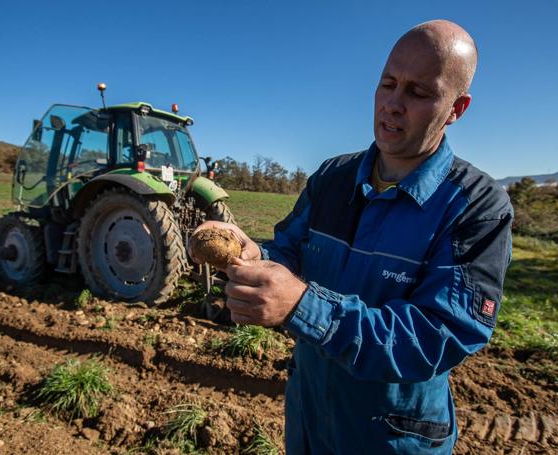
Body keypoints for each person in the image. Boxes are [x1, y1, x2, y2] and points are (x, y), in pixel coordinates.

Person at [191, 19, 513, 454]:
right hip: (309, 418)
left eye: (417, 92)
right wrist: (250, 252)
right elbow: (288, 251)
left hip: (391, 437)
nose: (393, 104)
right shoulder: (333, 178)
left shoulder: (476, 205)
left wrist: (304, 306)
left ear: (456, 108)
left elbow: (440, 334)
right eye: (387, 84)